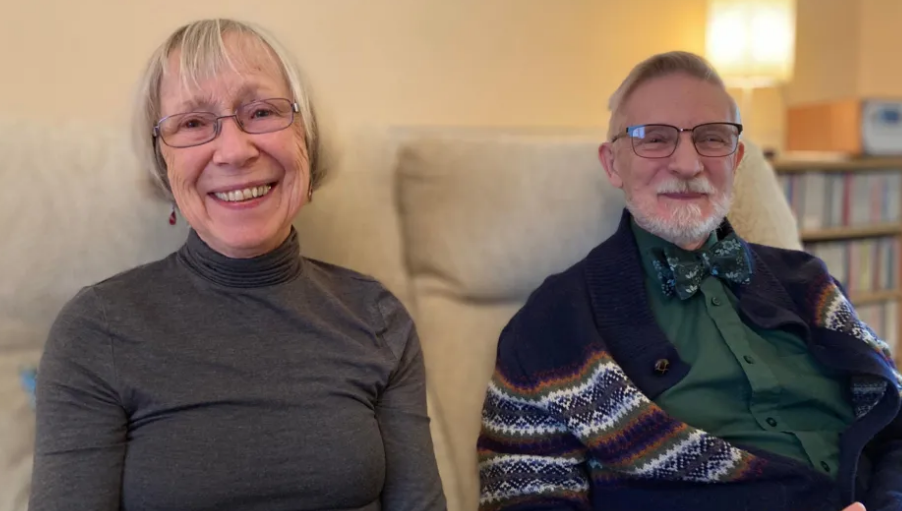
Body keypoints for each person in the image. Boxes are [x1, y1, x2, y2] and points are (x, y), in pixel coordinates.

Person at [29, 18, 445, 511]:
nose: (233, 150)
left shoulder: (377, 317)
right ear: (164, 166)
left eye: (263, 112)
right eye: (192, 123)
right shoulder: (97, 330)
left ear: (306, 141)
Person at [477, 51, 901, 511]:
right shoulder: (554, 325)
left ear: (736, 159)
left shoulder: (808, 281)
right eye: (654, 139)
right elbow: (526, 497)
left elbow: (893, 421)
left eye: (712, 138)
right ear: (613, 163)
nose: (686, 163)